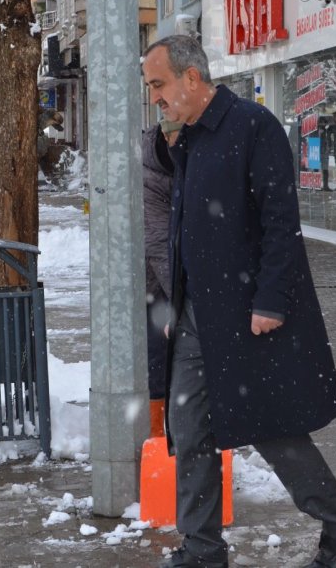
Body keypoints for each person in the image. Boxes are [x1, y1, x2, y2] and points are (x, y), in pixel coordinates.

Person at [141, 35, 336, 568]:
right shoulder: (189, 138)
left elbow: (280, 222)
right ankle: (203, 549)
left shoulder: (253, 126)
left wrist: (270, 299)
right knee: (189, 429)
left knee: (270, 427)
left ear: (192, 79)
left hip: (246, 313)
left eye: (159, 85)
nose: (155, 97)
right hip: (197, 316)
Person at [143, 119, 180, 437]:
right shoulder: (150, 178)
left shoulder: (170, 169)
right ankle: (158, 437)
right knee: (158, 359)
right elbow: (158, 247)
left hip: (167, 284)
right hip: (154, 288)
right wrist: (184, 301)